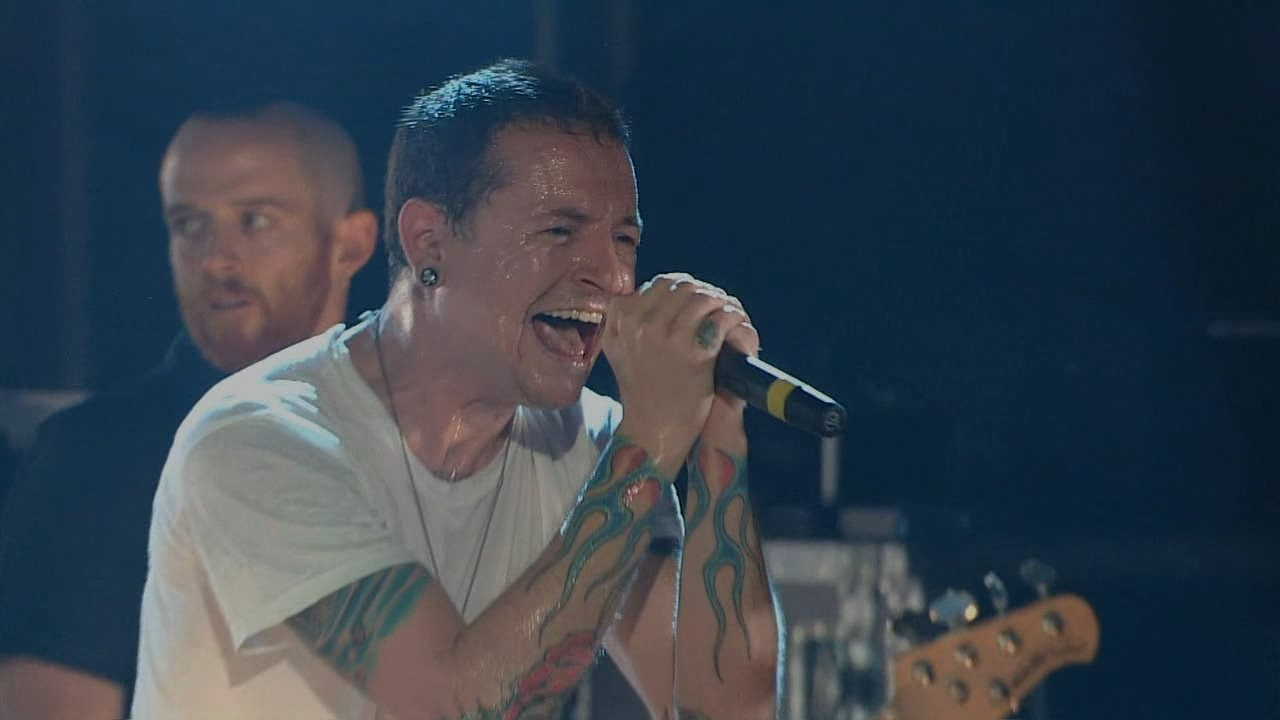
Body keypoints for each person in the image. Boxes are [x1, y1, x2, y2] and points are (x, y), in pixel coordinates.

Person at [132, 59, 780, 720]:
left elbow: (730, 714)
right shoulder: (258, 437)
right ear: (429, 241)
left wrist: (716, 430)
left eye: (623, 239)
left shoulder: (599, 447)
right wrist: (649, 444)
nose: (611, 278)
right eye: (559, 231)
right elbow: (449, 704)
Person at [0, 101, 378, 720]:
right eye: (188, 224)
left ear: (351, 243)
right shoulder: (98, 459)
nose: (215, 259)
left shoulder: (420, 438)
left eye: (254, 221)